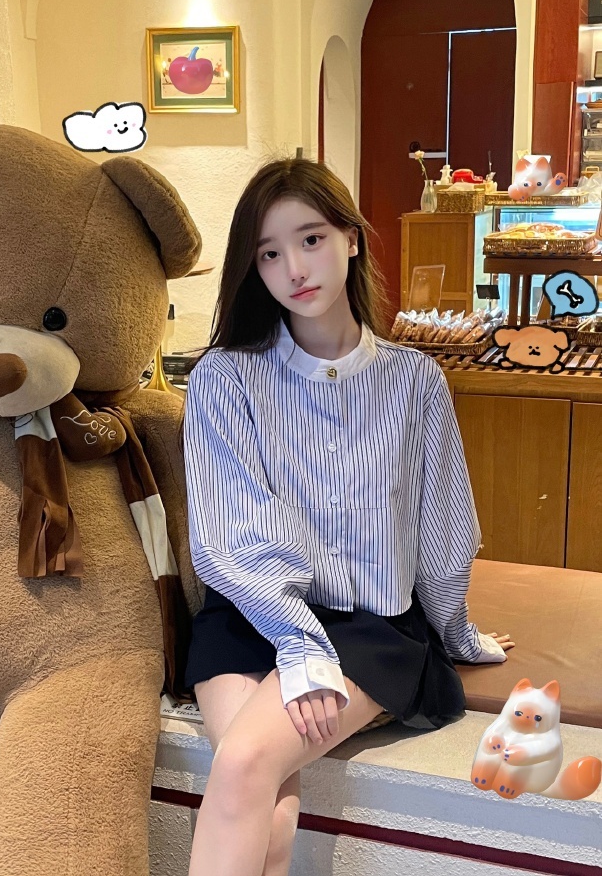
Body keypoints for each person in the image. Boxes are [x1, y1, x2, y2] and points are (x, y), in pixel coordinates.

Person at [182, 157, 514, 876]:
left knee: (244, 764)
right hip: (251, 615)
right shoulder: (224, 378)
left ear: (351, 239)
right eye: (269, 254)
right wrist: (298, 643)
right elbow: (225, 535)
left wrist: (456, 630)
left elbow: (442, 526)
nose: (295, 268)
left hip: (368, 628)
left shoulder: (415, 381)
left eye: (311, 239)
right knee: (267, 807)